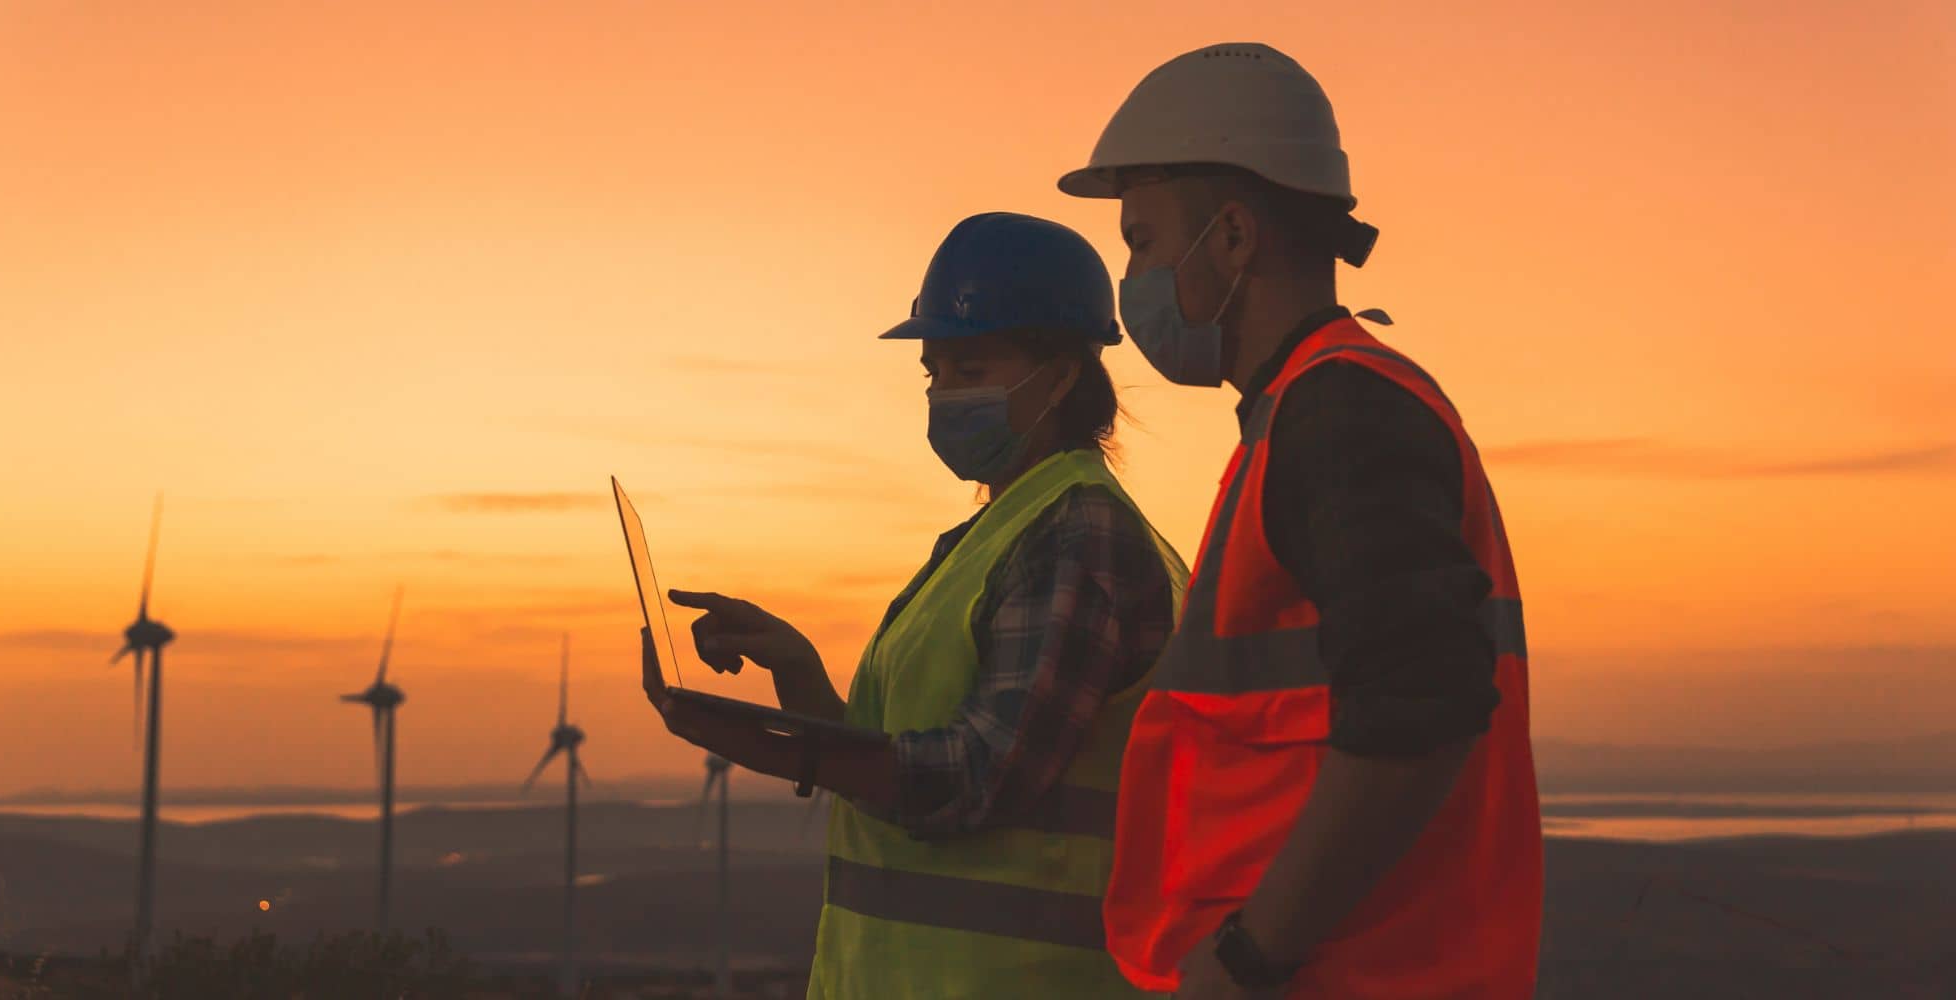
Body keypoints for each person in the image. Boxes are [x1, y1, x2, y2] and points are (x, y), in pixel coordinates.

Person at [1055, 43, 1542, 998]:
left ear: (1233, 237)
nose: (1134, 279)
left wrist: (1249, 956)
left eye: (1144, 242)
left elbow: (1422, 703)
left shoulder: (1340, 415)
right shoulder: (1303, 415)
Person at [640, 211, 1189, 999]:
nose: (944, 395)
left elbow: (977, 776)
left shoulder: (1076, 535)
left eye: (971, 369)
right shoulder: (1000, 534)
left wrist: (774, 746)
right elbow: (902, 765)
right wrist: (800, 676)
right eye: (935, 373)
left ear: (1064, 373)